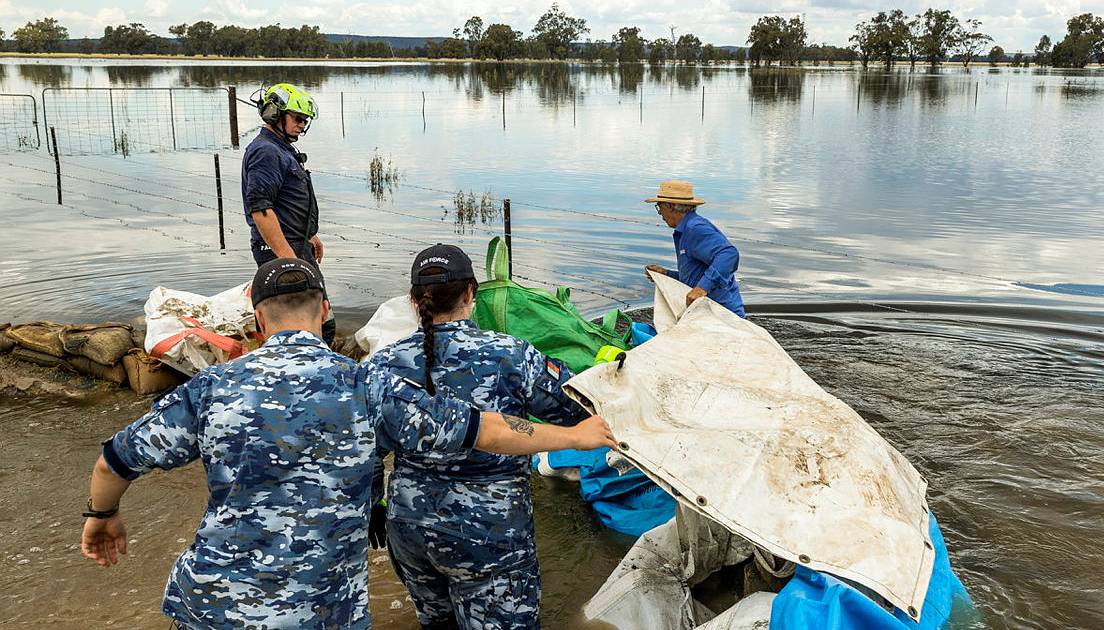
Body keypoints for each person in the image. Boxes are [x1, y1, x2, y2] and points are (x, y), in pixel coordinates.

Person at [79, 257, 617, 629]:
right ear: (325, 308)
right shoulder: (368, 386)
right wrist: (575, 435)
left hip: (212, 603)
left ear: (259, 318)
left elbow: (114, 461)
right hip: (322, 610)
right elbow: (486, 429)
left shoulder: (213, 386)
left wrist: (101, 515)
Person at [367, 244, 594, 629]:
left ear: (413, 298)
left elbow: (367, 448)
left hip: (410, 529)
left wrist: (376, 503)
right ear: (471, 293)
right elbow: (574, 409)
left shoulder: (381, 363)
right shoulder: (511, 354)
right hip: (490, 530)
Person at [241, 82, 336, 344]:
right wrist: (289, 261)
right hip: (279, 251)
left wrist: (309, 235)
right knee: (309, 324)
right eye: (298, 118)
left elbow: (286, 203)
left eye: (305, 120)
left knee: (318, 320)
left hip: (295, 244)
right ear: (274, 114)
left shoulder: (281, 149)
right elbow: (261, 210)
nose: (302, 125)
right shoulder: (266, 152)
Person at [643, 180, 746, 317]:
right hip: (705, 312)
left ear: (670, 206)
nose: (660, 213)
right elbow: (694, 277)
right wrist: (666, 274)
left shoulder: (695, 228)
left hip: (723, 314)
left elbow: (729, 254)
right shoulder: (684, 230)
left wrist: (702, 288)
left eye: (659, 206)